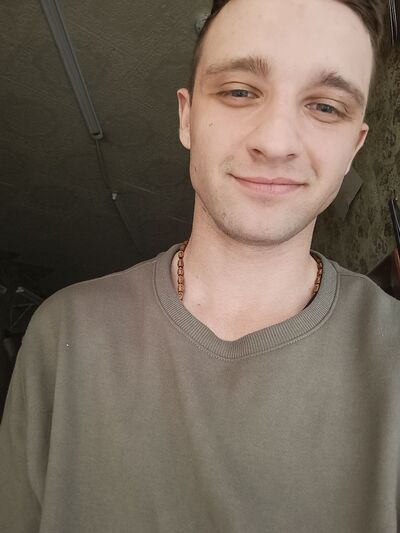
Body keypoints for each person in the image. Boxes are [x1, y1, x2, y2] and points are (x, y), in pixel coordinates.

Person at [0, 0, 398, 531]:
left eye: (326, 106)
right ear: (187, 117)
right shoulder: (64, 333)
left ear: (354, 147)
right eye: (239, 92)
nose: (275, 142)